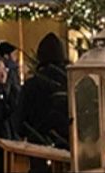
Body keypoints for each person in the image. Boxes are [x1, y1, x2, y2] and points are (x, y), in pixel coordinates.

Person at [18, 33, 71, 172]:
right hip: (69, 149)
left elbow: (20, 120)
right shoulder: (72, 82)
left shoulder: (31, 85)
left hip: (38, 149)